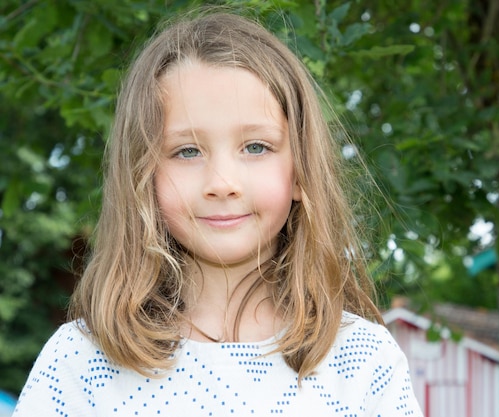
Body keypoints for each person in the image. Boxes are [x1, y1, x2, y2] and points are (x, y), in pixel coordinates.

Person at [12, 9, 422, 417]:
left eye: (256, 147)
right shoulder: (80, 363)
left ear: (301, 171)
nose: (222, 182)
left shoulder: (364, 362)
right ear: (142, 177)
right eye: (187, 151)